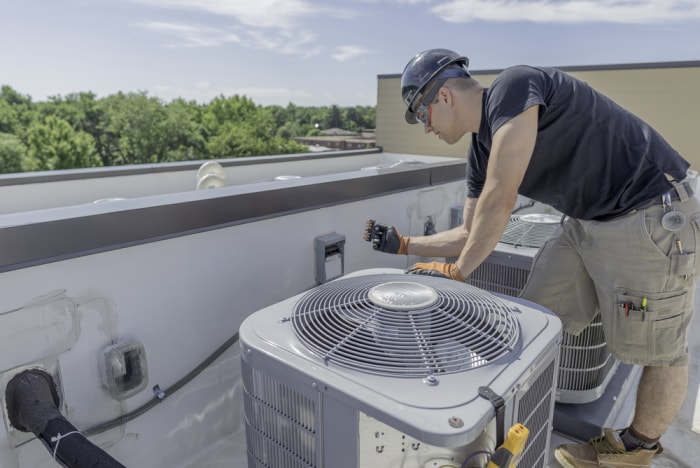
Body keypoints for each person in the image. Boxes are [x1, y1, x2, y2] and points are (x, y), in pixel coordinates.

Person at [365, 48, 698, 468]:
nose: (424, 127)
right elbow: (472, 230)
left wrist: (458, 271)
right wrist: (403, 243)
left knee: (659, 350)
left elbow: (501, 197)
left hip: (650, 210)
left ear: (444, 97)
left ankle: (635, 449)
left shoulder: (514, 85)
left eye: (421, 114)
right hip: (586, 221)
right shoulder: (480, 151)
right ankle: (511, 417)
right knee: (534, 317)